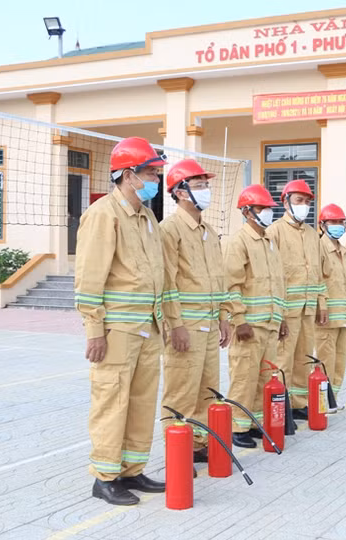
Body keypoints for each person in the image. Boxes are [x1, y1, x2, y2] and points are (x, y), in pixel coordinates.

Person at [74, 137, 167, 506]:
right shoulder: (103, 215)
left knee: (142, 402)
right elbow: (89, 279)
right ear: (129, 175)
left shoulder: (147, 218)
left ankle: (131, 469)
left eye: (157, 173)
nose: (155, 179)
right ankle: (105, 477)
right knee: (112, 402)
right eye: (151, 173)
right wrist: (95, 330)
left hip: (148, 329)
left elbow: (158, 275)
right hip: (117, 332)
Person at [159, 159, 231, 469]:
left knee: (207, 390)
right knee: (181, 392)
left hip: (209, 324)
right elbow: (166, 281)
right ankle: (178, 449)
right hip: (185, 325)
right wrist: (175, 325)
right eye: (199, 185)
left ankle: (198, 443)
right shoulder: (169, 230)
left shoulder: (208, 231)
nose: (206, 190)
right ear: (180, 191)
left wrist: (224, 317)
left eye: (206, 184)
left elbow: (220, 278)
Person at [223, 185, 288, 448]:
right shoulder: (238, 242)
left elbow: (277, 283)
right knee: (244, 377)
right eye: (262, 208)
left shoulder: (269, 242)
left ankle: (254, 423)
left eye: (270, 208)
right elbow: (231, 284)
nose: (268, 213)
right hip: (249, 326)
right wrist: (239, 320)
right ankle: (237, 426)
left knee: (265, 377)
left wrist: (281, 318)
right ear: (247, 212)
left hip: (270, 324)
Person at [266, 180, 325, 421]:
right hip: (286, 310)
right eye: (299, 201)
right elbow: (271, 273)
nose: (304, 206)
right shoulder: (274, 232)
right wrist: (276, 312)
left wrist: (321, 302)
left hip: (308, 307)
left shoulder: (312, 234)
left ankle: (298, 402)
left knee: (303, 357)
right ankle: (281, 399)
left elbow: (318, 272)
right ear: (286, 201)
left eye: (307, 202)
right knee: (283, 359)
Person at [314, 203, 346, 406]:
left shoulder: (345, 252)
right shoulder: (318, 249)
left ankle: (333, 398)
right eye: (334, 222)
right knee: (325, 362)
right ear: (322, 225)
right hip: (327, 318)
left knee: (340, 361)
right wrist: (321, 305)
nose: (338, 225)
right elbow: (317, 280)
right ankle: (321, 400)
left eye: (341, 222)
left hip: (344, 317)